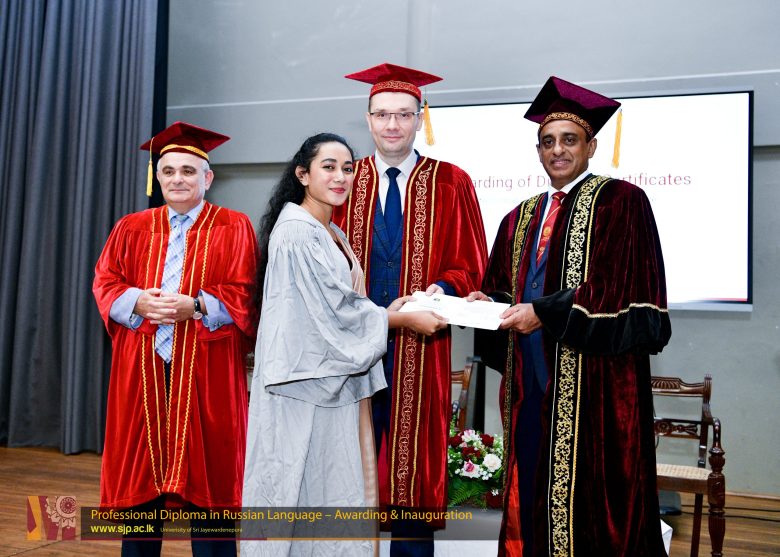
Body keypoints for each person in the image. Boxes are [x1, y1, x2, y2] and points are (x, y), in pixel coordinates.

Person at [469, 76, 672, 557]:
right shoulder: (519, 217)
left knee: (595, 499)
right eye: (548, 141)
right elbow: (505, 287)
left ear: (591, 146)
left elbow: (617, 289)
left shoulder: (622, 202)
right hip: (530, 381)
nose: (557, 150)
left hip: (595, 384)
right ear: (538, 150)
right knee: (532, 486)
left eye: (569, 140)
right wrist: (486, 303)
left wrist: (542, 312)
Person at [241, 133, 447, 557]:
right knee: (300, 494)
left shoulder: (327, 229)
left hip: (328, 387)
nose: (340, 177)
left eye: (348, 168)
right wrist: (399, 319)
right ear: (303, 174)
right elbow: (331, 317)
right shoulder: (298, 232)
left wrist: (390, 309)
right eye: (329, 167)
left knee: (325, 493)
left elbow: (342, 305)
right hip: (303, 392)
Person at [333, 63, 488, 556]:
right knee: (344, 460)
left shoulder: (451, 181)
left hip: (420, 343)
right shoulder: (341, 181)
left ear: (421, 118)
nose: (393, 124)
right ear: (368, 119)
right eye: (382, 114)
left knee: (413, 466)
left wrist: (440, 287)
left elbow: (471, 263)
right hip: (347, 345)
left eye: (404, 114)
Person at [93, 122, 258, 557]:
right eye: (168, 171)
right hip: (143, 367)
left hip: (207, 369)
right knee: (141, 478)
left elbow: (246, 292)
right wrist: (137, 301)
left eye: (188, 171)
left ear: (208, 178)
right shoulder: (131, 226)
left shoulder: (233, 226)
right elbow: (105, 281)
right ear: (157, 177)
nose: (178, 179)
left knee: (211, 479)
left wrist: (198, 306)